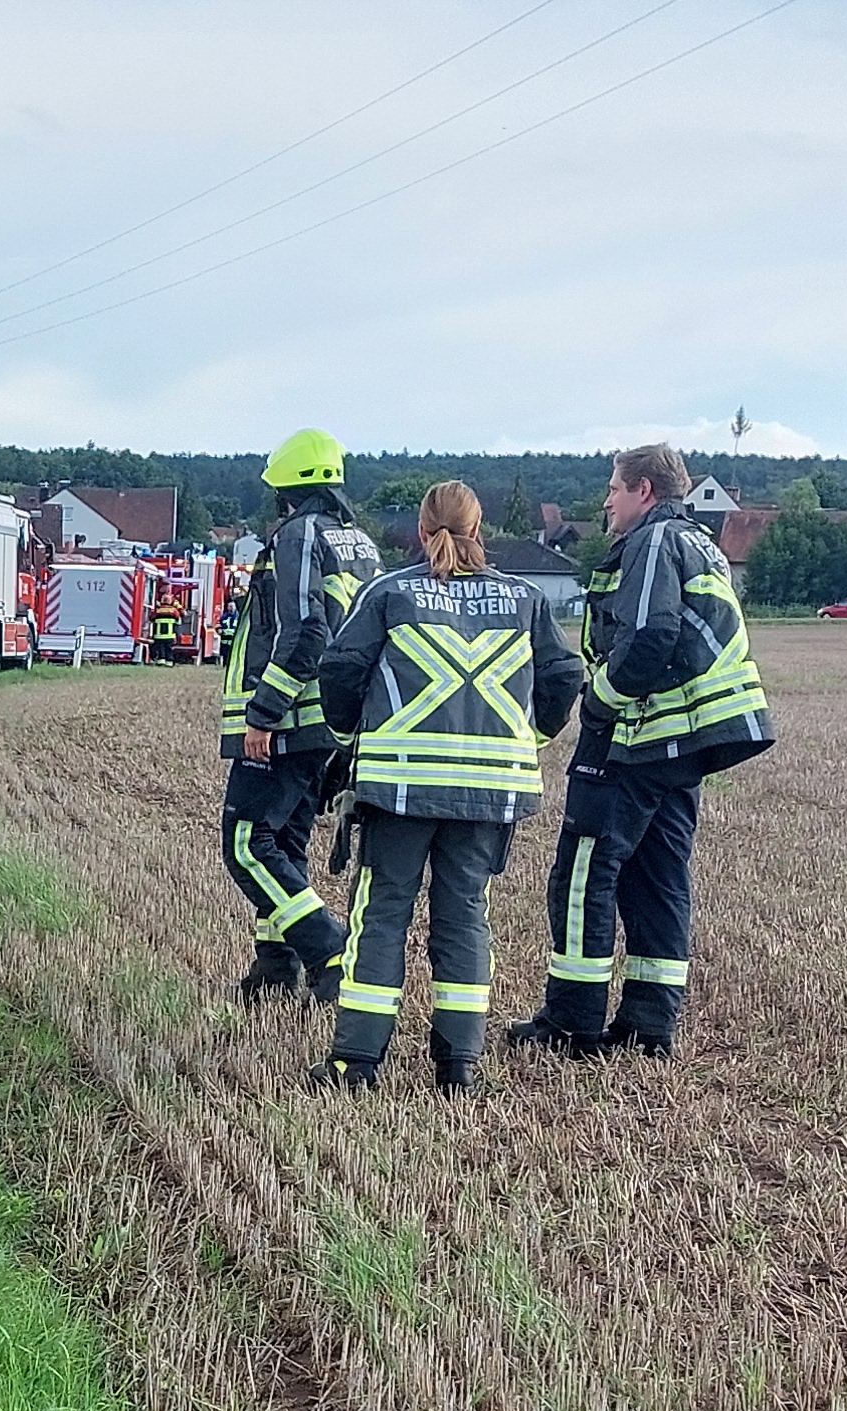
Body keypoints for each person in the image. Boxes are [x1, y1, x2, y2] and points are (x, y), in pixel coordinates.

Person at [503, 442, 775, 1060]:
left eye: (614, 488)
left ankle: (572, 1023)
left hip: (638, 739)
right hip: (684, 745)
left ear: (644, 491)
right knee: (658, 879)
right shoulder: (698, 541)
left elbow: (653, 633)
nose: (605, 501)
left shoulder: (653, 543)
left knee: (582, 875)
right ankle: (650, 1027)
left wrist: (598, 700)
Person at [309, 482, 580, 1091]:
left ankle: (356, 1064)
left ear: (421, 530)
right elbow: (565, 676)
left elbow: (341, 668)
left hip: (399, 785)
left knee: (381, 915)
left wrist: (348, 733)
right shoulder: (527, 598)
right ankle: (459, 1066)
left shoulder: (390, 592)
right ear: (478, 528)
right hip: (489, 790)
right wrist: (529, 735)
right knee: (464, 919)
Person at [221, 429, 384, 1008]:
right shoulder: (358, 541)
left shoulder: (298, 535)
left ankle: (326, 950)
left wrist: (263, 714)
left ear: (284, 489)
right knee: (284, 843)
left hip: (289, 722)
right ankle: (274, 968)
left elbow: (303, 630)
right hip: (336, 724)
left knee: (245, 842)